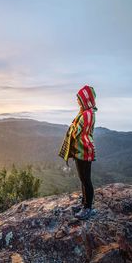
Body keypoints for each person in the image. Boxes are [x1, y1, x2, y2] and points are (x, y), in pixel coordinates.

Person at [58, 85, 98, 220]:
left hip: (84, 151)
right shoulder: (86, 112)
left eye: (79, 98)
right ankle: (85, 203)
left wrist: (72, 127)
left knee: (86, 180)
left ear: (85, 100)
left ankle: (87, 208)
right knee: (83, 179)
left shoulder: (87, 114)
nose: (77, 101)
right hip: (81, 151)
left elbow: (76, 132)